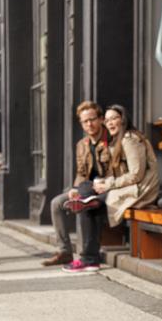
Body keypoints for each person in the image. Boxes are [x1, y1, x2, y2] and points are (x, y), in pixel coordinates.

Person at [62, 104, 159, 273]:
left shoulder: (130, 139)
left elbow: (136, 175)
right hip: (125, 187)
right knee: (87, 189)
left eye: (114, 118)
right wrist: (100, 184)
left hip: (141, 190)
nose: (110, 123)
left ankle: (88, 259)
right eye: (107, 120)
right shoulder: (119, 141)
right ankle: (86, 201)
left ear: (123, 119)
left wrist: (108, 184)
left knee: (89, 208)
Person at [41, 101, 111, 267]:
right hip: (87, 187)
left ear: (101, 119)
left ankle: (88, 254)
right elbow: (81, 173)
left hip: (106, 188)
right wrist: (74, 188)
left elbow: (117, 170)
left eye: (92, 119)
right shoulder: (82, 145)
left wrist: (104, 184)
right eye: (85, 121)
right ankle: (65, 251)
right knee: (57, 203)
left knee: (85, 202)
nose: (89, 124)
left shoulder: (112, 141)